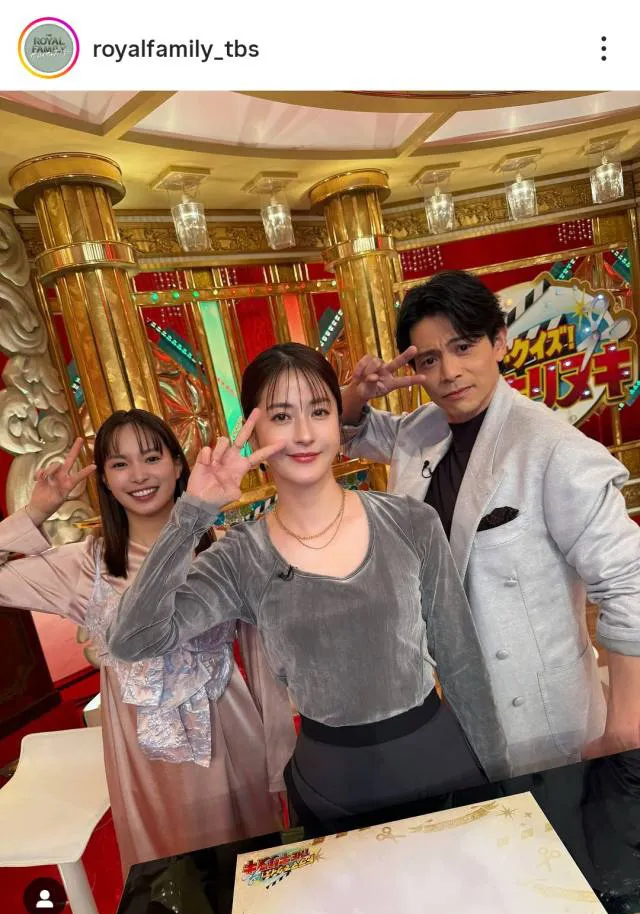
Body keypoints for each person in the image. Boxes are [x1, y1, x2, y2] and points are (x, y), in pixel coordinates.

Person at [109, 344, 510, 830]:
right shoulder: (242, 556)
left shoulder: (409, 521)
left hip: (439, 762)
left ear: (337, 422)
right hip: (332, 784)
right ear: (254, 431)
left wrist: (501, 782)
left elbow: (461, 660)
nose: (303, 433)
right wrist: (192, 514)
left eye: (319, 411)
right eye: (281, 416)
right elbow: (133, 640)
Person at [339, 268, 640, 775]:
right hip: (447, 701)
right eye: (429, 359)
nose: (449, 372)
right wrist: (357, 392)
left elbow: (628, 582)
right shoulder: (420, 431)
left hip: (541, 710)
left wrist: (626, 728)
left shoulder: (551, 446)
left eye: (463, 347)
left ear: (499, 341)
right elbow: (349, 432)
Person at [0, 411, 296, 872]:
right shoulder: (86, 566)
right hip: (142, 761)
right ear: (105, 481)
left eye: (152, 458)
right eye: (119, 464)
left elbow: (264, 662)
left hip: (230, 738)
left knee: (250, 875)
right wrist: (36, 512)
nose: (138, 475)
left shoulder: (225, 549)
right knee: (169, 885)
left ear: (178, 466)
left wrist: (281, 765)